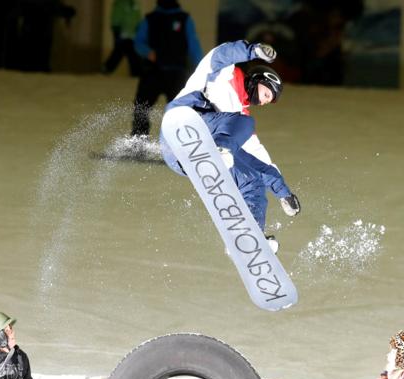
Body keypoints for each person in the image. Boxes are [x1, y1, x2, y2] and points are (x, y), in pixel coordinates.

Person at [160, 40, 301, 251]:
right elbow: (222, 53)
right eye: (266, 95)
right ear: (257, 80)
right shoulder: (225, 74)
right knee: (243, 124)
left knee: (253, 181)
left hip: (182, 161)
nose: (263, 102)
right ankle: (221, 151)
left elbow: (261, 161)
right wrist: (253, 50)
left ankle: (250, 236)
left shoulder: (240, 120)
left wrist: (283, 192)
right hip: (183, 122)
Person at [131, 0, 203, 136]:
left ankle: (179, 146)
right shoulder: (150, 19)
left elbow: (194, 46)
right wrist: (147, 52)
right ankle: (138, 143)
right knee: (141, 107)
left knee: (179, 112)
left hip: (177, 73)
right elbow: (138, 42)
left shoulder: (184, 19)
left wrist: (202, 68)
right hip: (152, 72)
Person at [102, 0, 142, 76]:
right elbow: (115, 17)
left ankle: (107, 68)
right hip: (122, 33)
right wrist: (117, 31)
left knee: (127, 53)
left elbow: (138, 17)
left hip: (133, 34)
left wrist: (139, 29)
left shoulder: (135, 4)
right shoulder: (119, 3)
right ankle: (136, 73)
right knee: (121, 52)